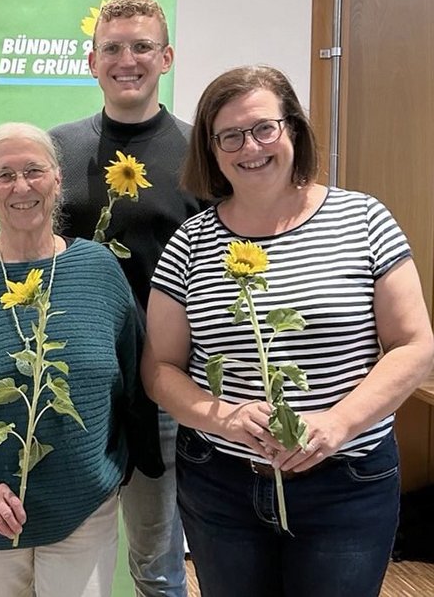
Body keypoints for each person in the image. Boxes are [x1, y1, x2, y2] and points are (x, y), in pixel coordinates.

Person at [143, 65, 434, 597]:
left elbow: (415, 346)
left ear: (293, 130)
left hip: (346, 483)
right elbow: (160, 368)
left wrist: (338, 423)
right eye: (229, 135)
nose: (249, 147)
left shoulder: (363, 219)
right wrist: (222, 417)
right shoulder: (190, 243)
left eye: (263, 128)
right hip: (222, 485)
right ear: (211, 149)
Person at [0, 122, 161, 597]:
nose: (21, 186)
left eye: (34, 171)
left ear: (57, 180)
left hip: (84, 505)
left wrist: (120, 468)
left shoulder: (97, 269)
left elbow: (136, 376)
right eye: (5, 175)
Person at [50, 0, 199, 597]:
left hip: (167, 390)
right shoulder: (56, 150)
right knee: (63, 553)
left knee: (158, 565)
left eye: (141, 46)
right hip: (73, 387)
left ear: (166, 56)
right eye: (112, 48)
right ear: (92, 62)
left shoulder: (202, 153)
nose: (127, 59)